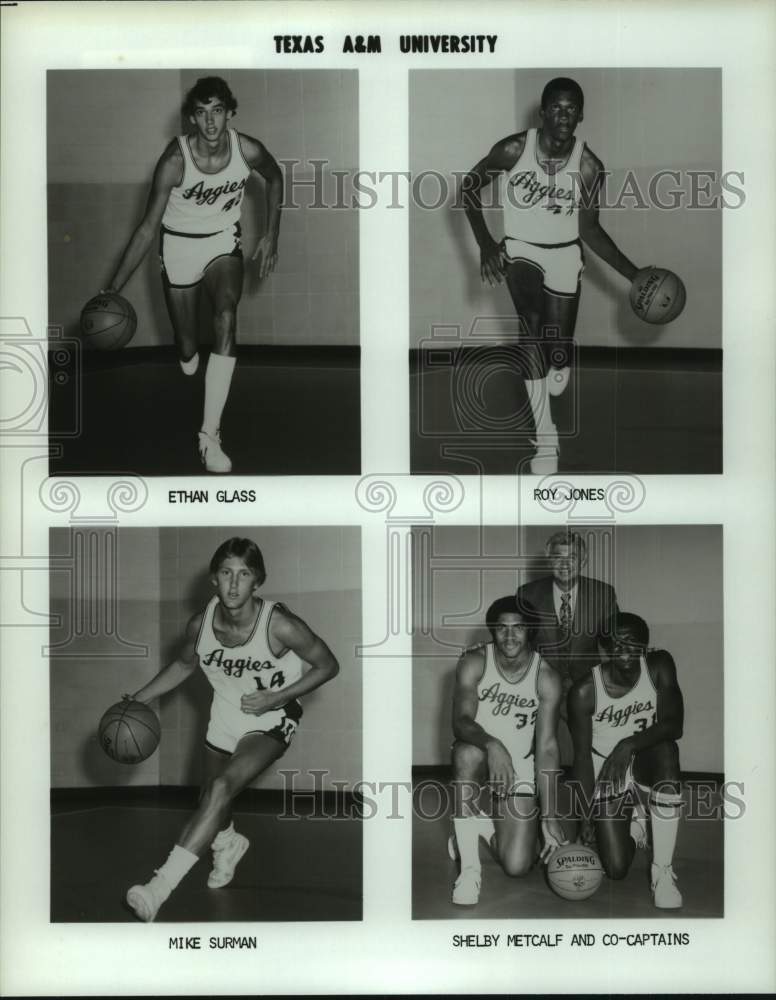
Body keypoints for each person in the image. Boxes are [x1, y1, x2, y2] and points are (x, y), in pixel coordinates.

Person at [124, 537, 339, 922]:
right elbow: (184, 666)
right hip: (224, 715)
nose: (235, 584)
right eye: (226, 573)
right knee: (212, 795)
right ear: (213, 579)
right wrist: (137, 699)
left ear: (258, 581)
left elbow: (328, 665)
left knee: (222, 788)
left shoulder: (281, 625)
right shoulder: (200, 625)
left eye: (244, 574)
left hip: (273, 716)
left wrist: (278, 698)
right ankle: (227, 842)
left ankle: (158, 888)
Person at [462, 76, 641, 473]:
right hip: (520, 249)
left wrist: (635, 274)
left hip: (564, 255)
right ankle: (546, 438)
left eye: (571, 108)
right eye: (556, 108)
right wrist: (487, 245)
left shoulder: (590, 167)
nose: (564, 115)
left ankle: (560, 361)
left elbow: (591, 230)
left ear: (581, 115)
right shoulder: (513, 149)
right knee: (530, 328)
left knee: (557, 345)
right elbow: (469, 189)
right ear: (542, 113)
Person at [103, 76, 283, 473]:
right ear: (191, 119)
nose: (211, 122)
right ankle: (187, 354)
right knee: (187, 350)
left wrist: (271, 234)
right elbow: (148, 227)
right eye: (201, 113)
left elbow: (274, 177)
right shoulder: (174, 160)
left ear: (230, 113)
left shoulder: (247, 149)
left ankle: (210, 435)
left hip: (222, 242)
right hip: (179, 245)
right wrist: (112, 289)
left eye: (217, 111)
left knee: (225, 315)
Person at [448, 595, 567, 905]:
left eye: (519, 627)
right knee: (464, 753)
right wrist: (493, 744)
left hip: (521, 768)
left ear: (530, 631)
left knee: (516, 867)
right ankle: (470, 871)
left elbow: (548, 747)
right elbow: (461, 722)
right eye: (502, 628)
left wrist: (550, 815)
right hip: (481, 751)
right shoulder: (474, 662)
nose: (510, 636)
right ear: (492, 630)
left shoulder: (547, 677)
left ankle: (476, 825)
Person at [568, 612, 684, 908]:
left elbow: (674, 724)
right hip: (606, 770)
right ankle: (638, 825)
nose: (626, 652)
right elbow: (580, 757)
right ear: (605, 648)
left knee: (667, 749)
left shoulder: (659, 666)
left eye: (634, 644)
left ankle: (663, 871)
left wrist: (628, 744)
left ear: (646, 646)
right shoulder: (584, 691)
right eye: (617, 645)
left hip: (643, 757)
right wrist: (584, 814)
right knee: (616, 868)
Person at [516, 530, 619, 763]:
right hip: (541, 683)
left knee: (598, 748)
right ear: (549, 560)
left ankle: (597, 795)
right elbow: (517, 639)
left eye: (572, 557)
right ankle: (537, 795)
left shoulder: (603, 594)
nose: (564, 564)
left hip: (587, 682)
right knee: (534, 747)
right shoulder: (527, 595)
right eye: (558, 557)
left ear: (583, 561)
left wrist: (639, 651)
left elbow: (613, 638)